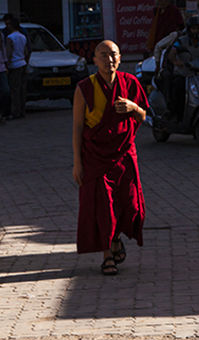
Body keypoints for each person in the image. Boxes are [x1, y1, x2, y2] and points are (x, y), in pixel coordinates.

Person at [72, 40, 148, 276]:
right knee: (103, 205)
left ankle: (115, 239)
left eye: (113, 54)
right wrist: (77, 162)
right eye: (103, 55)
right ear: (94, 61)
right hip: (96, 157)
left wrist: (133, 107)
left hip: (124, 156)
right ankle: (107, 256)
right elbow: (77, 128)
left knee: (127, 203)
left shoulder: (130, 83)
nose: (109, 60)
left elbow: (144, 116)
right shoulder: (84, 88)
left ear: (120, 57)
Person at [163, 16, 199, 118]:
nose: (196, 31)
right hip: (183, 74)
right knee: (178, 88)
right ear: (189, 29)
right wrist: (177, 62)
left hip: (197, 75)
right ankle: (176, 114)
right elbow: (172, 53)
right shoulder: (181, 41)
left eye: (198, 28)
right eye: (193, 28)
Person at [5, 15, 30, 119]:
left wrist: (7, 65)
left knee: (14, 90)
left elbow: (9, 53)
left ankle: (15, 112)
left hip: (14, 65)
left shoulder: (10, 38)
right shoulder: (23, 37)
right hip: (22, 64)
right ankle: (22, 111)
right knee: (22, 90)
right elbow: (26, 52)